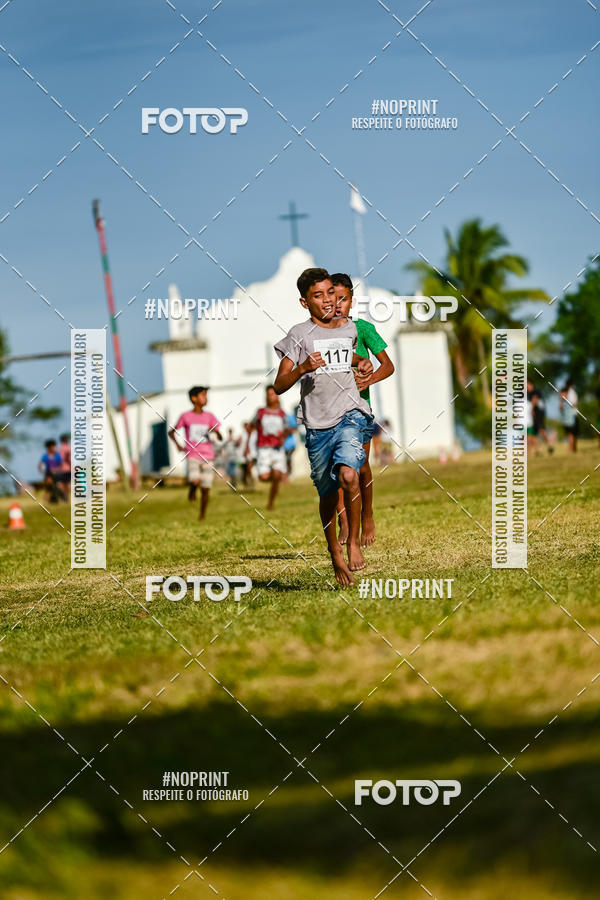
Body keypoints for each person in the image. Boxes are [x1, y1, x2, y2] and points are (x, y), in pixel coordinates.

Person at [274, 267, 373, 586]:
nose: (328, 300)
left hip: (350, 413)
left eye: (331, 292)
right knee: (329, 495)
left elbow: (350, 360)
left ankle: (354, 540)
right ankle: (335, 552)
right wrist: (303, 366)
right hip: (317, 424)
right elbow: (278, 385)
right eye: (318, 295)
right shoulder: (298, 335)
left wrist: (363, 362)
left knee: (349, 474)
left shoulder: (350, 329)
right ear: (305, 302)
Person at [331, 273, 395, 546]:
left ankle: (367, 515)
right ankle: (344, 520)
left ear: (351, 301)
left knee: (361, 468)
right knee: (334, 473)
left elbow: (387, 365)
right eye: (331, 299)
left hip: (359, 409)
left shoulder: (364, 329)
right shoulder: (319, 334)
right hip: (329, 410)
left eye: (343, 299)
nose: (336, 305)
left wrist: (370, 378)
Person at [168, 386, 222, 520]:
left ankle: (202, 515)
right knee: (195, 479)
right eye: (202, 395)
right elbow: (171, 432)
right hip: (193, 454)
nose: (205, 398)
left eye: (206, 395)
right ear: (194, 398)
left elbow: (221, 437)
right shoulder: (186, 417)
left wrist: (215, 431)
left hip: (208, 456)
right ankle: (192, 490)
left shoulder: (210, 417)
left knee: (206, 488)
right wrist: (178, 446)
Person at [253, 385, 290, 510]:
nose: (270, 397)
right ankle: (275, 479)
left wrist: (283, 437)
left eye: (273, 394)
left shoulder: (281, 414)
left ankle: (271, 502)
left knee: (277, 474)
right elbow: (253, 426)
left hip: (277, 449)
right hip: (263, 448)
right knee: (263, 477)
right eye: (268, 394)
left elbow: (288, 429)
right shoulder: (260, 412)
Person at [560, 379, 579, 453]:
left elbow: (574, 404)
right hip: (569, 416)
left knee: (572, 433)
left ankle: (571, 449)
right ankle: (572, 449)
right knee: (570, 433)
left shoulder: (571, 393)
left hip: (572, 416)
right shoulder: (571, 392)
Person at [283, 407, 298, 478]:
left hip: (289, 444)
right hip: (279, 445)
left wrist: (286, 432)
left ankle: (289, 474)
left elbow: (295, 428)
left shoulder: (289, 416)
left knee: (288, 459)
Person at [57, 432, 72, 499]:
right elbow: (67, 458)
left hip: (62, 468)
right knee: (67, 483)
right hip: (67, 468)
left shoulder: (60, 448)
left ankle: (65, 496)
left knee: (63, 483)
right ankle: (66, 497)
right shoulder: (67, 447)